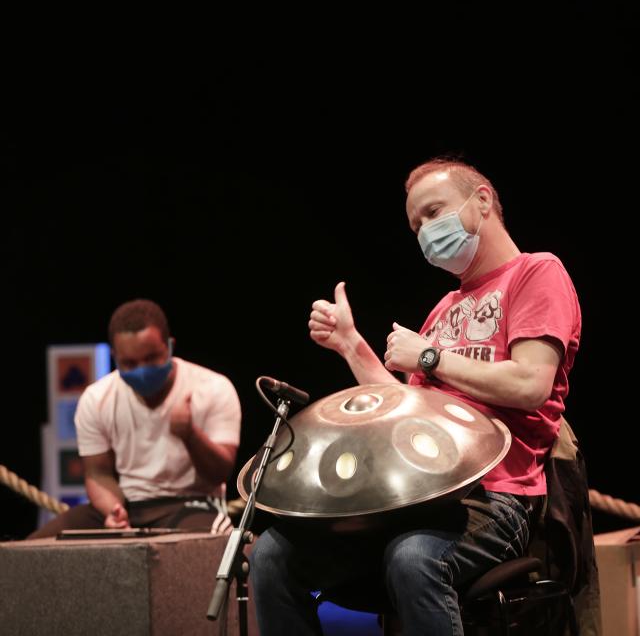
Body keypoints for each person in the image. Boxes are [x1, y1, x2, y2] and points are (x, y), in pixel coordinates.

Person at [249, 157, 582, 635]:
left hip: (495, 500)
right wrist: (350, 343)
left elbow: (531, 385)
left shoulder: (536, 273)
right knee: (273, 554)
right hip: (420, 498)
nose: (425, 230)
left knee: (413, 558)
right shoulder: (444, 309)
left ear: (482, 201)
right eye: (415, 224)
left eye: (433, 212)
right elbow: (410, 417)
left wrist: (430, 358)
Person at [30, 299, 242, 538]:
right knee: (31, 551)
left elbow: (220, 473)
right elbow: (98, 474)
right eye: (129, 363)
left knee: (194, 551)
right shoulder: (97, 398)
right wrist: (113, 509)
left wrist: (190, 434)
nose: (141, 370)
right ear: (114, 356)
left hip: (193, 504)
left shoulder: (213, 388)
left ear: (170, 346)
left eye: (151, 358)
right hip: (127, 504)